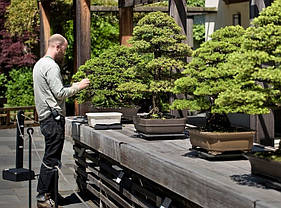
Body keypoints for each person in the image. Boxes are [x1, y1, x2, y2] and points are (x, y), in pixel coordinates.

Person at [33, 34, 90, 208]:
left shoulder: (39, 64)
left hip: (45, 117)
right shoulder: (51, 66)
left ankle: (52, 196)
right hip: (53, 118)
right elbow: (59, 93)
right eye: (64, 49)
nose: (64, 53)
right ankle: (43, 197)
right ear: (57, 47)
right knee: (51, 158)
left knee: (53, 157)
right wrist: (78, 86)